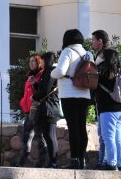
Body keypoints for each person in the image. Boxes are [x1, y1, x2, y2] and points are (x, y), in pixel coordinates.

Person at [50, 29, 94, 169]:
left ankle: (74, 160)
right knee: (81, 127)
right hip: (85, 94)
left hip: (69, 94)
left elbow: (61, 71)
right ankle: (82, 159)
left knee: (73, 127)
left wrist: (52, 71)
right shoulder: (88, 54)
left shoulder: (68, 52)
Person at [94, 48, 121, 170]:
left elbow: (96, 88)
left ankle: (112, 163)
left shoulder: (104, 73)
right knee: (118, 138)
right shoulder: (120, 72)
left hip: (108, 109)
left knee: (108, 137)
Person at [15, 54, 46, 167]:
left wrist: (35, 83)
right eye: (30, 61)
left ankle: (41, 163)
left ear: (39, 62)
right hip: (28, 111)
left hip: (37, 110)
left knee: (39, 136)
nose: (31, 63)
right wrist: (23, 102)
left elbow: (41, 90)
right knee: (26, 137)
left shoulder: (41, 74)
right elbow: (26, 93)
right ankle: (21, 162)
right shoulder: (29, 75)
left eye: (34, 61)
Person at [32, 51, 60, 168]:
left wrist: (34, 96)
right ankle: (51, 161)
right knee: (47, 135)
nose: (41, 62)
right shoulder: (46, 72)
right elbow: (43, 89)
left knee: (50, 135)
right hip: (46, 107)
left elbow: (45, 90)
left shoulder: (51, 72)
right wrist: (35, 84)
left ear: (47, 60)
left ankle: (53, 162)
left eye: (42, 60)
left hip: (50, 108)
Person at [91, 29, 109, 168]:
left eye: (93, 40)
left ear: (100, 41)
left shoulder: (105, 57)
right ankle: (103, 160)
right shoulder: (100, 56)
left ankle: (105, 161)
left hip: (106, 101)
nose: (92, 42)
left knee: (105, 134)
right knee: (103, 133)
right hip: (101, 100)